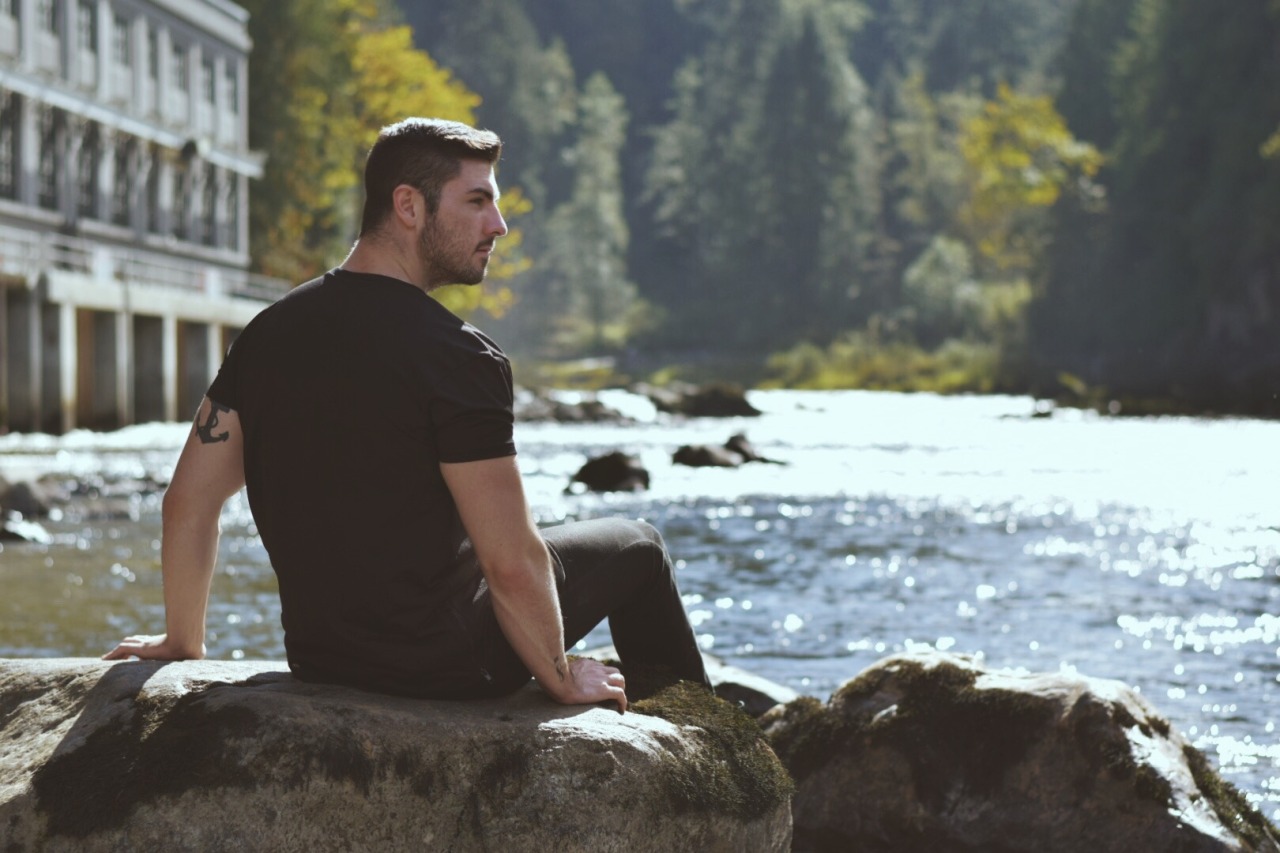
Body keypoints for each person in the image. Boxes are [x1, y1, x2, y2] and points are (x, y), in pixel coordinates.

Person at [103, 118, 709, 712]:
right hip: (450, 667)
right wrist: (559, 676)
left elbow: (188, 500)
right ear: (409, 206)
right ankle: (702, 764)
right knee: (641, 544)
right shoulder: (459, 355)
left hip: (322, 659)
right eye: (477, 202)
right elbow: (509, 561)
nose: (497, 225)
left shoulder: (267, 333)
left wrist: (182, 640)